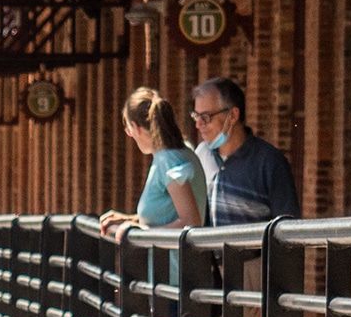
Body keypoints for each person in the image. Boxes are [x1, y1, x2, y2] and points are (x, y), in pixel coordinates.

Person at [190, 76, 300, 227]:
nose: (198, 124)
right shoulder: (201, 155)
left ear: (233, 115)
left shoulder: (270, 162)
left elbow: (288, 231)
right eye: (196, 116)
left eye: (206, 117)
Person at [99, 86, 203, 235]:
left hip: (171, 259)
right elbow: (167, 217)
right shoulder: (183, 151)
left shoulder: (168, 160)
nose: (130, 135)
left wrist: (142, 233)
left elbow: (191, 223)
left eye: (128, 129)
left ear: (136, 128)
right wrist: (131, 221)